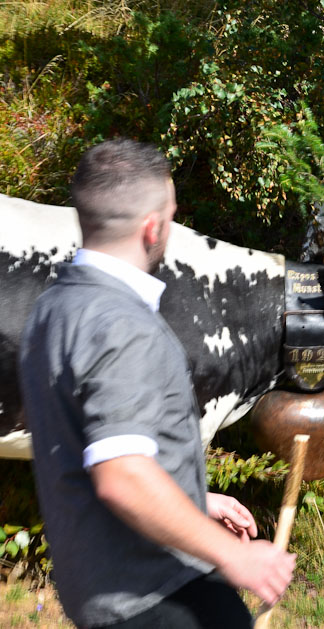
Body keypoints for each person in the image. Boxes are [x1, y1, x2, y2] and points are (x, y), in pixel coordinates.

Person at [18, 138, 295, 629]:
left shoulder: (54, 308)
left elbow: (86, 447)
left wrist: (193, 497)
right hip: (161, 596)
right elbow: (122, 475)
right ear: (154, 227)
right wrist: (235, 557)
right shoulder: (123, 324)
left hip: (101, 594)